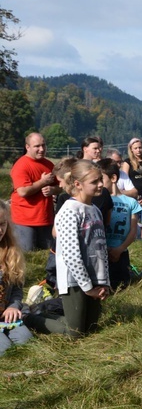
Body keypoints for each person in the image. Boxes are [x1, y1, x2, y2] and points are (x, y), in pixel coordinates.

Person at [25, 161, 110, 339]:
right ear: (78, 184)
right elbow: (72, 256)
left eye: (100, 179)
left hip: (95, 278)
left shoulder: (95, 210)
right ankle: (31, 317)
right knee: (76, 334)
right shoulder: (69, 211)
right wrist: (87, 288)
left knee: (92, 330)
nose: (101, 184)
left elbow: (101, 249)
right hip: (74, 280)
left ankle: (56, 314)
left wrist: (104, 283)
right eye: (94, 181)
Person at [9, 132, 60, 251]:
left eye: (43, 145)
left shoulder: (48, 164)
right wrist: (43, 182)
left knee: (49, 252)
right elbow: (23, 192)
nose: (41, 149)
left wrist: (53, 190)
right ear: (27, 147)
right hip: (25, 220)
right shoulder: (21, 165)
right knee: (27, 252)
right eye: (37, 146)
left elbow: (61, 186)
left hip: (46, 219)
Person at [98, 159, 142, 291]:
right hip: (102, 252)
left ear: (113, 178)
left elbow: (133, 231)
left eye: (101, 179)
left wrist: (120, 249)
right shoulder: (99, 200)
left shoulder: (131, 202)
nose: (99, 184)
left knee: (124, 286)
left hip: (122, 251)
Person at [0, 200, 34, 355]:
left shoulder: (11, 252)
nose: (0, 229)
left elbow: (17, 288)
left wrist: (13, 306)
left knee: (25, 340)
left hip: (5, 315)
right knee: (4, 348)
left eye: (2, 224)